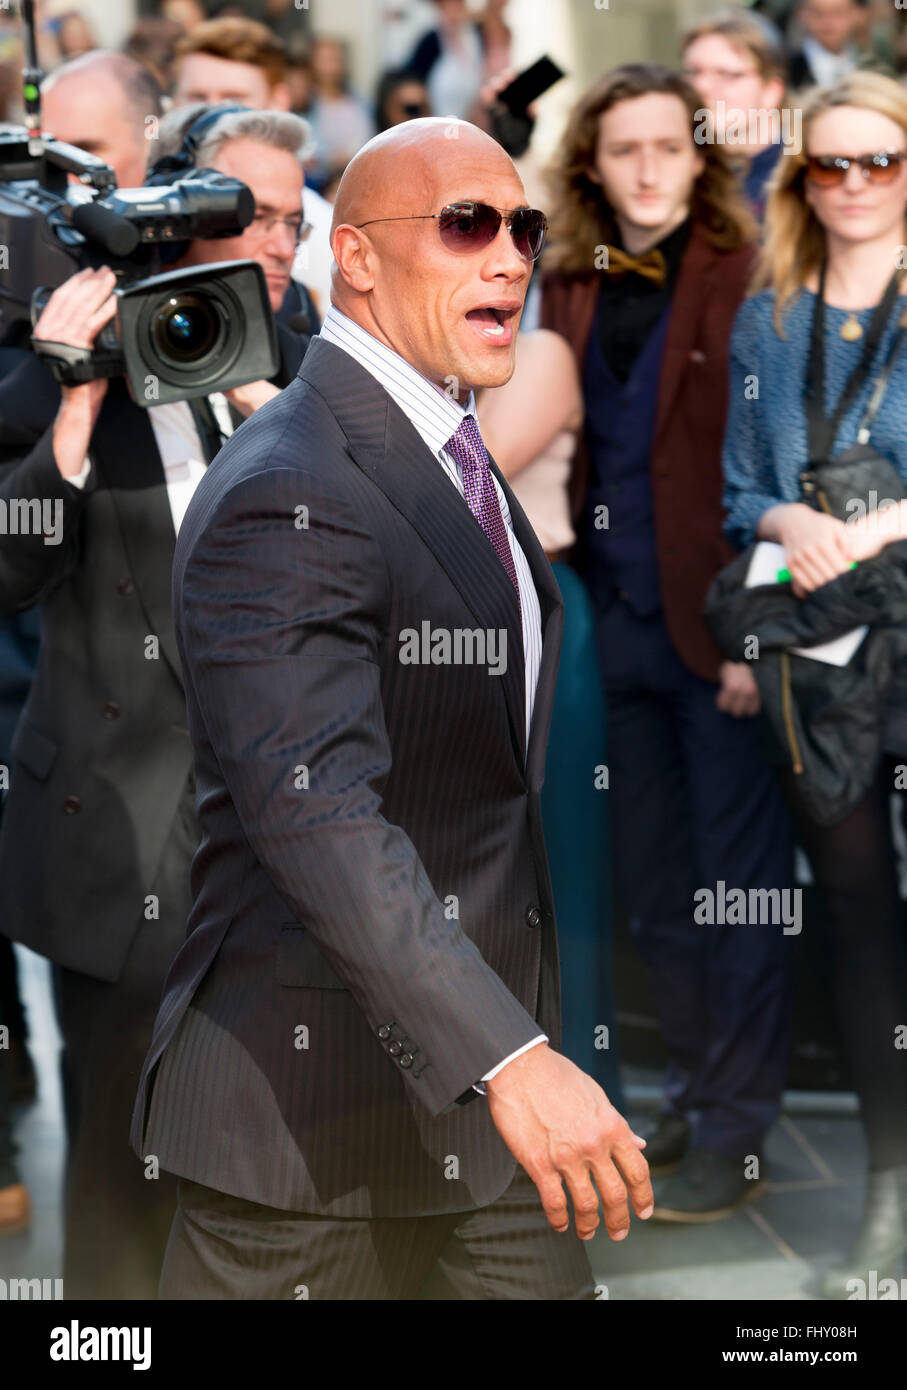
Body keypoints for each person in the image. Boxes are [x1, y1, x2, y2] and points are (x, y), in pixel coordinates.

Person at [131, 116, 654, 1302]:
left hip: (476, 1103)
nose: (511, 256)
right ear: (354, 257)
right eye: (467, 224)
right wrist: (513, 1058)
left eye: (523, 226)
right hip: (308, 1133)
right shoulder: (290, 486)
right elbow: (321, 817)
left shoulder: (445, 448)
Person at [0, 102, 315, 1300]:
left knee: (268, 1143)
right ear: (177, 215)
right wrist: (75, 401)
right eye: (246, 211)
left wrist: (266, 423)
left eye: (292, 216)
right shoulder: (55, 359)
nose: (273, 241)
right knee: (122, 1168)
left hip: (277, 832)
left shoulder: (311, 355)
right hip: (117, 832)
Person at [541, 65, 795, 1222]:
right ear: (590, 162)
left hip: (725, 637)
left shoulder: (750, 275)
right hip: (614, 631)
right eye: (623, 147)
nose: (647, 167)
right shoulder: (569, 283)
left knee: (739, 889)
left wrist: (758, 631)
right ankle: (692, 1093)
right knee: (655, 889)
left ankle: (739, 1129)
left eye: (668, 146)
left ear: (701, 160)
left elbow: (778, 472)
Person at [722, 68, 907, 1298]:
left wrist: (887, 523)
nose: (848, 185)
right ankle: (886, 1195)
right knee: (853, 918)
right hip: (822, 643)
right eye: (824, 165)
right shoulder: (769, 316)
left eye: (875, 162)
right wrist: (792, 509)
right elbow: (742, 490)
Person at [475, 331, 624, 1110]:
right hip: (436, 625)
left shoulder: (542, 352)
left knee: (559, 881)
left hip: (541, 614)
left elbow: (477, 468)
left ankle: (588, 1125)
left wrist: (264, 406)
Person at [170, 15, 334, 318]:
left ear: (279, 102)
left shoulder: (326, 240)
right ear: (171, 105)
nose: (214, 117)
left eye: (234, 102)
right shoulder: (141, 217)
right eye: (197, 99)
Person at [681, 7, 790, 219]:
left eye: (727, 75)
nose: (701, 86)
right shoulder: (671, 173)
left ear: (771, 91)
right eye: (694, 72)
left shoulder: (805, 176)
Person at [306, 36, 376, 196]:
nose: (332, 65)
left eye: (336, 58)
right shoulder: (306, 105)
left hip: (363, 179)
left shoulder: (359, 100)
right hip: (322, 185)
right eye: (325, 59)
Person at [788, 0, 864, 88]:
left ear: (854, 14)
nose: (828, 22)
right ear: (802, 15)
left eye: (837, 13)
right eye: (818, 14)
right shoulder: (787, 68)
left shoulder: (870, 66)